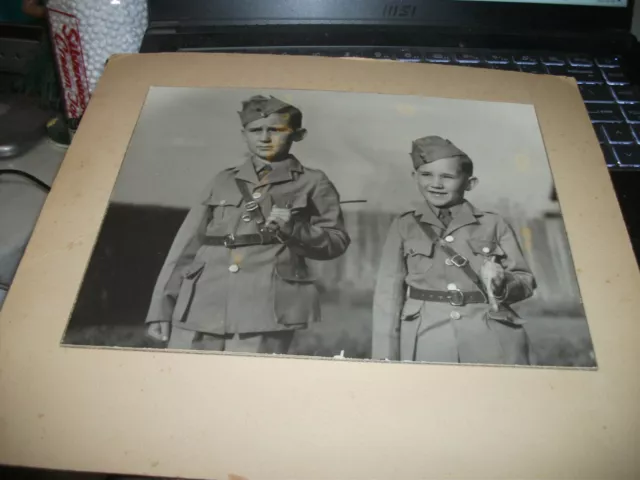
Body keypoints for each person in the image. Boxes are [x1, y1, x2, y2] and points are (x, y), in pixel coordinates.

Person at [145, 95, 350, 354]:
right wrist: (161, 307)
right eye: (255, 130)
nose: (264, 138)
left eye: (275, 130)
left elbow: (336, 242)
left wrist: (295, 228)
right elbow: (186, 245)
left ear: (298, 134)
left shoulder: (313, 181)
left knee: (246, 385)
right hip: (201, 302)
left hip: (264, 310)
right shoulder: (223, 180)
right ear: (244, 134)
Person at [372, 135, 536, 365]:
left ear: (470, 183)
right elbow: (387, 297)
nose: (435, 184)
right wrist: (384, 358)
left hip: (489, 338)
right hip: (425, 340)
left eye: (447, 177)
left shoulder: (493, 224)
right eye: (426, 175)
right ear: (414, 177)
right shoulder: (404, 226)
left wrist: (502, 283)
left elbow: (525, 281)